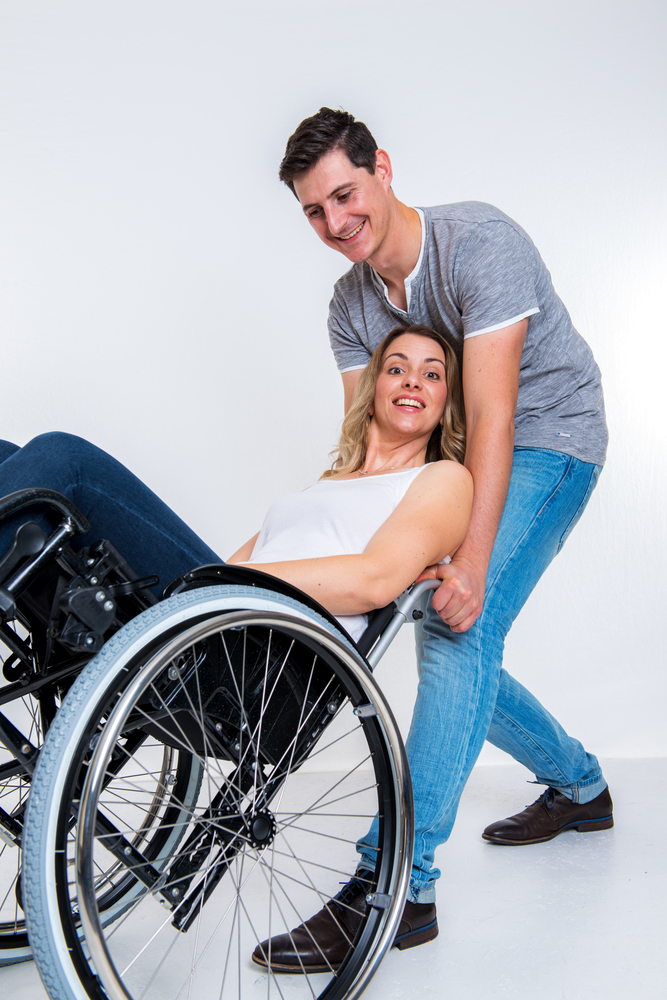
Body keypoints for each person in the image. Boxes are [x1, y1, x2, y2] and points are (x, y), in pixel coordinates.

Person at [258, 107, 614, 971]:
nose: (336, 224)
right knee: (444, 622)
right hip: (456, 457)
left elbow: (491, 416)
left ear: (381, 166)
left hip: (547, 436)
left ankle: (395, 885)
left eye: (345, 194)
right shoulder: (349, 304)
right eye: (314, 211)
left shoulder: (477, 244)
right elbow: (366, 447)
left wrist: (468, 565)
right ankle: (580, 786)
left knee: (458, 624)